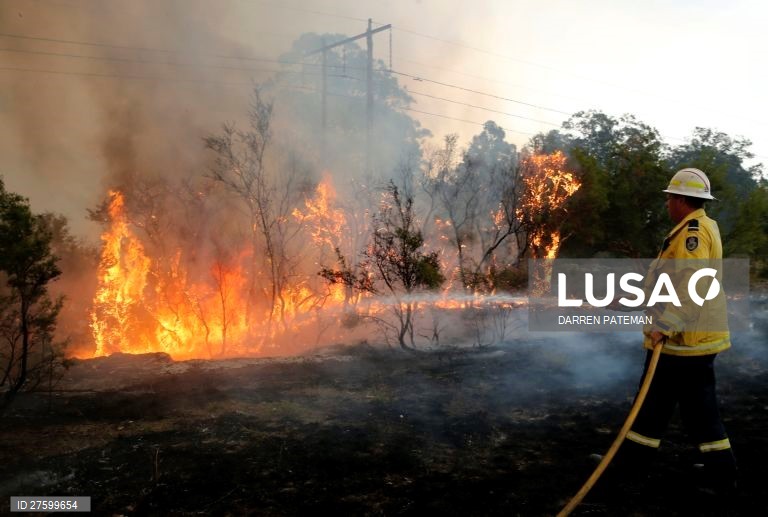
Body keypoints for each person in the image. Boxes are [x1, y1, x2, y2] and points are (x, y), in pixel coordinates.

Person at [617, 167, 738, 495]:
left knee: (695, 410)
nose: (667, 203)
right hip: (687, 339)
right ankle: (632, 465)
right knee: (654, 405)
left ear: (682, 200)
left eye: (670, 197)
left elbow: (693, 287)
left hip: (685, 341)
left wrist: (665, 325)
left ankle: (721, 475)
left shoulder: (691, 235)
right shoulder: (697, 227)